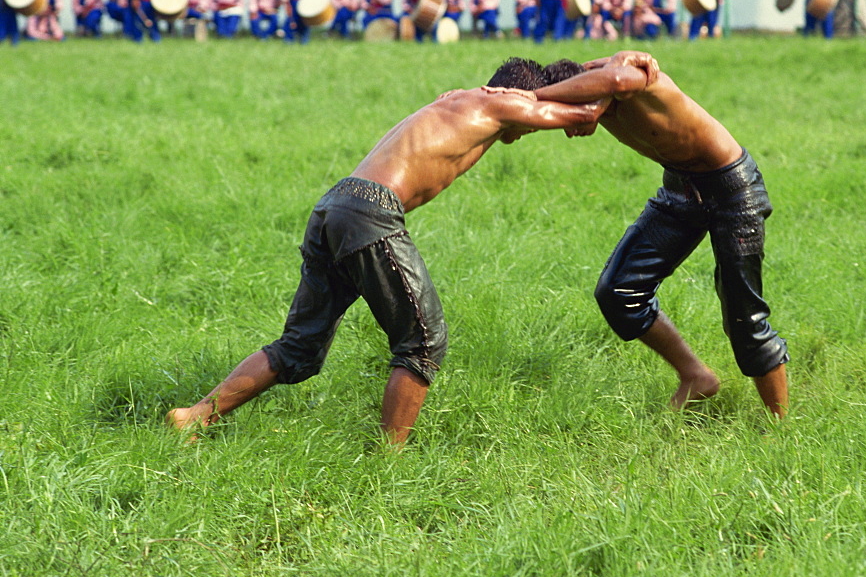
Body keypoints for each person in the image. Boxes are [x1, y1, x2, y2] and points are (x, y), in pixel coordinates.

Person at [166, 57, 610, 446]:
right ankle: (388, 461)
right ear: (517, 93)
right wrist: (615, 76)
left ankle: (195, 417)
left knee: (298, 347)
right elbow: (581, 109)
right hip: (370, 212)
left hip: (335, 205)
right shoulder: (502, 102)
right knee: (424, 342)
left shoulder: (457, 98)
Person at [534, 51, 790, 418]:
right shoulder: (595, 81)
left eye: (573, 112)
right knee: (618, 291)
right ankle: (696, 376)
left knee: (743, 318)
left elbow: (618, 79)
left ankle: (779, 428)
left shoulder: (634, 81)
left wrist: (542, 97)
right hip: (681, 190)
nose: (570, 126)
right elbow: (587, 72)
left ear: (591, 93)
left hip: (732, 190)